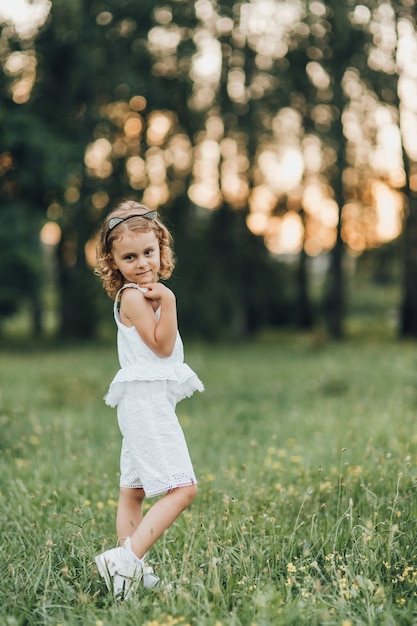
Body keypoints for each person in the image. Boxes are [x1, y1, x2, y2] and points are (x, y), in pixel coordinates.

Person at [94, 200, 204, 600]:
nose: (141, 263)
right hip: (145, 405)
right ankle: (124, 561)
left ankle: (128, 579)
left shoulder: (139, 294)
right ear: (113, 260)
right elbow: (161, 347)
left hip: (139, 403)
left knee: (133, 493)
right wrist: (170, 301)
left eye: (148, 252)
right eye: (129, 256)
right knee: (184, 489)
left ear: (161, 248)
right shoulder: (136, 298)